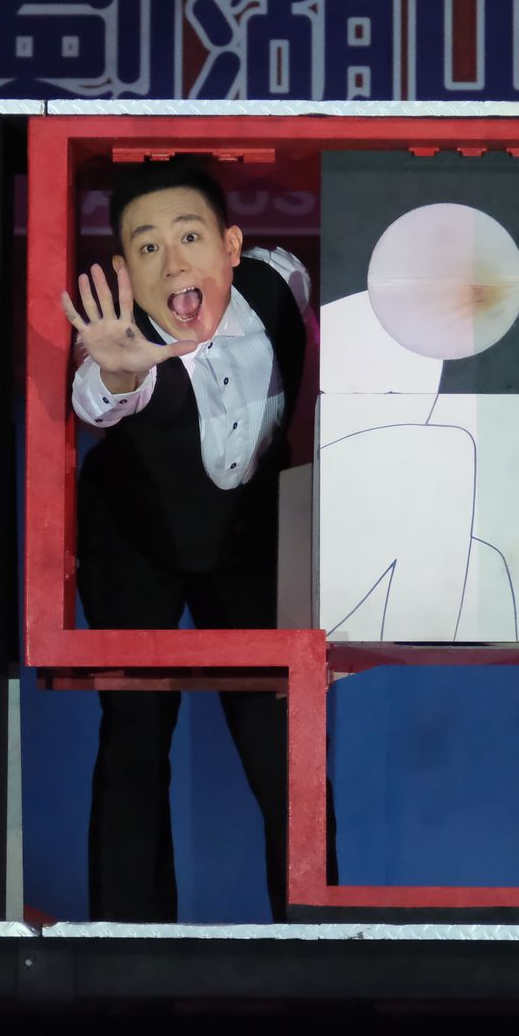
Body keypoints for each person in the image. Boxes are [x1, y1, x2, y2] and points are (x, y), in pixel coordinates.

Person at [58, 156, 332, 922]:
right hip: (134, 539)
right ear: (125, 269)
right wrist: (116, 373)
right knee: (136, 733)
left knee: (284, 743)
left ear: (232, 245)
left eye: (189, 237)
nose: (173, 262)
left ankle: (324, 946)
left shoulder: (282, 282)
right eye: (147, 247)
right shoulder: (118, 344)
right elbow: (99, 395)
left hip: (244, 539)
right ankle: (126, 952)